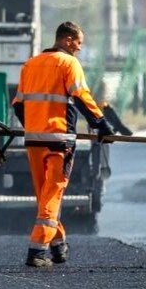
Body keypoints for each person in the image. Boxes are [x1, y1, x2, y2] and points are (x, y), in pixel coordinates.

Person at [11, 21, 118, 268]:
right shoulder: (69, 63)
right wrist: (101, 124)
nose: (79, 48)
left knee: (46, 196)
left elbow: (18, 104)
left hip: (34, 141)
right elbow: (81, 97)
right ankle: (37, 250)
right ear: (68, 40)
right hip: (59, 141)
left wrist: (33, 125)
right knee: (53, 194)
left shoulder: (30, 64)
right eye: (79, 42)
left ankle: (58, 246)